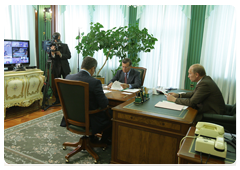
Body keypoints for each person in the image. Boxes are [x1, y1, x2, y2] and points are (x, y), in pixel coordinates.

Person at [60, 56, 112, 144]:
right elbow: (104, 104)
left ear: (81, 66)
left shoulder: (68, 77)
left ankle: (93, 138)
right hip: (89, 120)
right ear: (93, 69)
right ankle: (104, 141)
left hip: (71, 118)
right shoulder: (95, 82)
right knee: (112, 114)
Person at [49, 32, 71, 105]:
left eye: (56, 38)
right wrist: (52, 54)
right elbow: (51, 58)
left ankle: (67, 99)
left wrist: (60, 54)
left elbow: (69, 56)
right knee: (57, 85)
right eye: (54, 39)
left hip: (65, 67)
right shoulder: (51, 46)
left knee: (67, 84)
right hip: (56, 68)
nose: (55, 40)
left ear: (59, 37)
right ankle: (57, 100)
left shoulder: (65, 46)